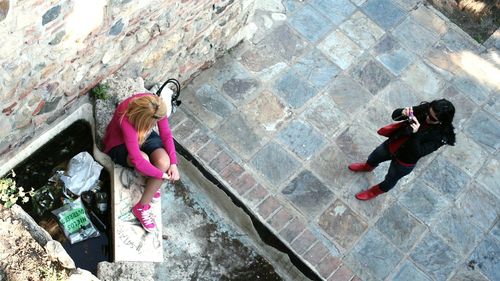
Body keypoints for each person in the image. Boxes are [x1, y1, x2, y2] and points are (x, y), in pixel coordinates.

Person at [348, 99, 456, 200]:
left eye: (432, 118)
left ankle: (374, 192)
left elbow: (418, 152)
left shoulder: (442, 137)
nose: (427, 117)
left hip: (404, 162)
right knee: (374, 156)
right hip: (393, 143)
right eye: (428, 112)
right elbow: (395, 116)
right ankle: (367, 167)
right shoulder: (425, 109)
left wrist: (416, 133)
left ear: (442, 121)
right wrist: (402, 113)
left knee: (390, 179)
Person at [103, 93, 180, 231]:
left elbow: (166, 134)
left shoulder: (156, 106)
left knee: (164, 162)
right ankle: (141, 207)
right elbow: (137, 160)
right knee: (145, 161)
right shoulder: (125, 118)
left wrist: (173, 163)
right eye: (152, 123)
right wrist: (161, 176)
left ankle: (152, 185)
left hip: (145, 134)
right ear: (144, 120)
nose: (155, 125)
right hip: (120, 143)